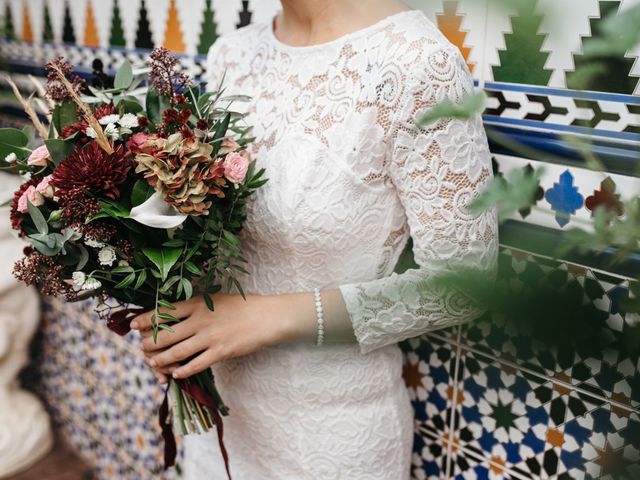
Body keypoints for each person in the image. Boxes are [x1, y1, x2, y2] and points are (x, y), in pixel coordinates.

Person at [131, 0, 498, 478]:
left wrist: (263, 316)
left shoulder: (417, 63)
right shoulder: (232, 54)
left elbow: (466, 283)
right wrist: (181, 320)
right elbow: (214, 221)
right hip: (219, 425)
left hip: (335, 434)